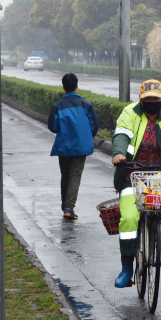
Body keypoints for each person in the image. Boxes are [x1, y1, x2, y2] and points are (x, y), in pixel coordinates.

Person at [110, 78, 161, 289]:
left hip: (160, 170)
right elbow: (122, 134)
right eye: (148, 99)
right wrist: (119, 153)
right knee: (128, 219)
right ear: (141, 100)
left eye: (156, 99)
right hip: (132, 173)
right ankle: (127, 268)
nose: (152, 102)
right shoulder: (130, 112)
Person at [47, 72, 99, 221]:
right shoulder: (86, 105)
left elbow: (53, 127)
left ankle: (65, 207)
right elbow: (94, 126)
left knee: (65, 175)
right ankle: (69, 208)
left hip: (64, 146)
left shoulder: (57, 106)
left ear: (63, 87)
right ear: (77, 85)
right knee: (75, 176)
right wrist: (84, 136)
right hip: (81, 146)